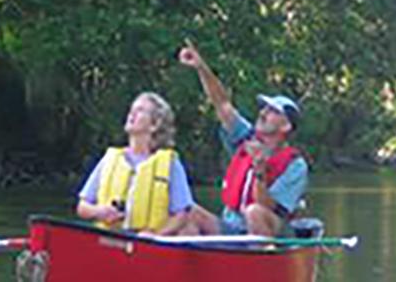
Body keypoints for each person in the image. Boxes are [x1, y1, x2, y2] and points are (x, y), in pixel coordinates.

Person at [178, 41, 309, 237]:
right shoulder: (246, 138)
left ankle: (257, 261)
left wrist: (260, 172)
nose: (263, 113)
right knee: (189, 214)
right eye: (264, 108)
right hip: (230, 228)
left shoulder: (296, 166)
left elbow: (269, 208)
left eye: (272, 111)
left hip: (265, 229)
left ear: (286, 126)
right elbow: (222, 104)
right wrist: (201, 67)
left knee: (254, 212)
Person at [73, 92, 217, 235]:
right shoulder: (110, 159)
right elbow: (82, 206)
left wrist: (156, 235)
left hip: (147, 243)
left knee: (188, 230)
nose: (131, 115)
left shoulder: (170, 164)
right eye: (131, 111)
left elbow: (181, 215)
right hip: (109, 237)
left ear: (154, 124)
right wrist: (99, 211)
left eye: (140, 111)